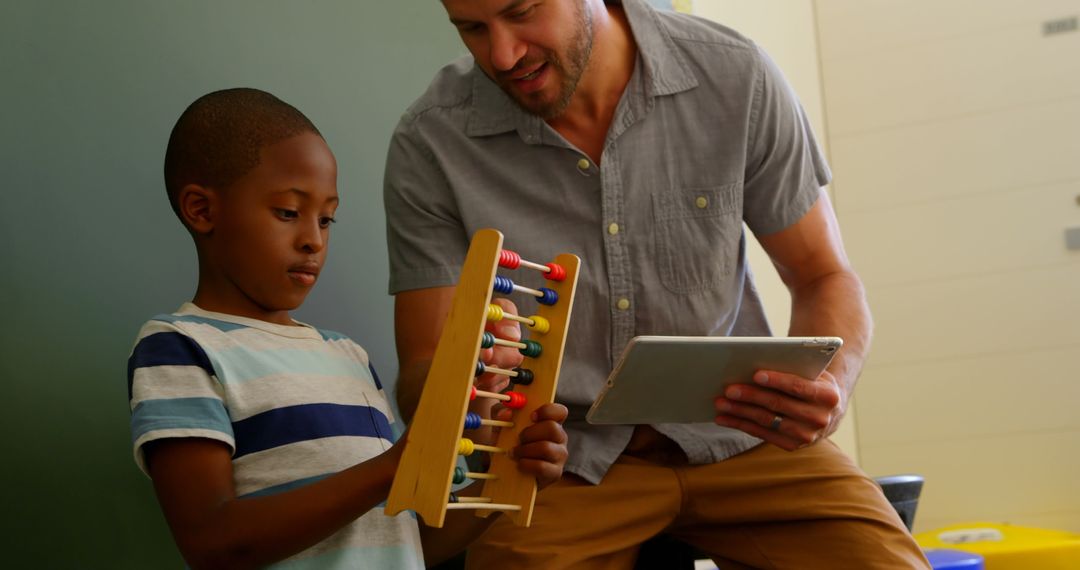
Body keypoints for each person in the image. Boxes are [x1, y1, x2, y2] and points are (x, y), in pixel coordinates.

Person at [383, 0, 930, 568]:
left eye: (521, 12)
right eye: (472, 28)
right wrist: (466, 388)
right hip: (558, 465)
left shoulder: (735, 74)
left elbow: (823, 275)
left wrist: (831, 385)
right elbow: (424, 365)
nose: (502, 54)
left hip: (743, 438)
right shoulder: (431, 142)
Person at [127, 87, 569, 569]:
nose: (313, 241)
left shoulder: (347, 355)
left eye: (326, 220)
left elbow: (409, 541)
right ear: (202, 210)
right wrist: (393, 468)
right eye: (288, 213)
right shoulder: (180, 348)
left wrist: (503, 477)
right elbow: (212, 542)